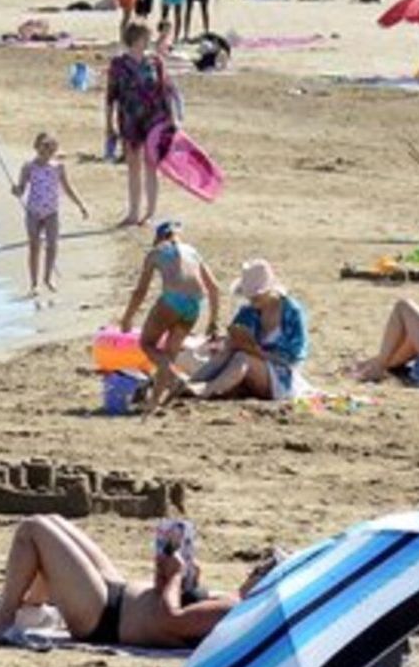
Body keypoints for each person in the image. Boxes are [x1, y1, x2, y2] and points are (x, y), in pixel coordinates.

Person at [0, 516, 250, 650]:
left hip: (104, 617)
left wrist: (176, 577)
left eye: (262, 569)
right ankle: (30, 610)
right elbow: (175, 608)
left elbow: (171, 619)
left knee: (32, 530)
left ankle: (4, 620)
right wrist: (180, 577)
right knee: (53, 522)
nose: (255, 569)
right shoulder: (234, 601)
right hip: (116, 596)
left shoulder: (234, 609)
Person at [119, 220, 218, 413]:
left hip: (172, 301)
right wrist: (213, 321)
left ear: (158, 238)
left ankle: (178, 379)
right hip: (194, 305)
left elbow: (140, 291)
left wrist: (127, 318)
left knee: (147, 344)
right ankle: (155, 403)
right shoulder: (193, 251)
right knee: (167, 356)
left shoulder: (156, 253)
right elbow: (213, 287)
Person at [192, 259, 307, 401]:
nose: (252, 301)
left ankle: (204, 391)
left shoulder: (291, 311)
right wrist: (232, 344)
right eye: (250, 297)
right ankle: (193, 383)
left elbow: (293, 359)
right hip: (253, 369)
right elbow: (230, 346)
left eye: (256, 297)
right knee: (228, 351)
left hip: (282, 376)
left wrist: (258, 353)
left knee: (242, 358)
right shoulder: (248, 311)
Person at [105, 22, 176, 228]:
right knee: (133, 167)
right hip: (129, 120)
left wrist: (171, 119)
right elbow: (111, 97)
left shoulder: (155, 62)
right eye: (146, 36)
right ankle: (133, 213)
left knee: (151, 165)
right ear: (136, 39)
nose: (149, 40)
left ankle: (150, 213)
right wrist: (109, 125)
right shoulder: (118, 65)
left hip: (155, 120)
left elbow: (166, 91)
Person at [11, 132, 88, 297]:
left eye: (50, 147)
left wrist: (81, 205)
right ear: (36, 147)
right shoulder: (28, 167)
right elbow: (21, 189)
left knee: (52, 245)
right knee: (34, 246)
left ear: (55, 149)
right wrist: (16, 191)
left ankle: (47, 277)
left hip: (52, 212)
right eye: (43, 146)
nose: (46, 150)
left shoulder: (58, 167)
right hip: (33, 212)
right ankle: (34, 283)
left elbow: (67, 188)